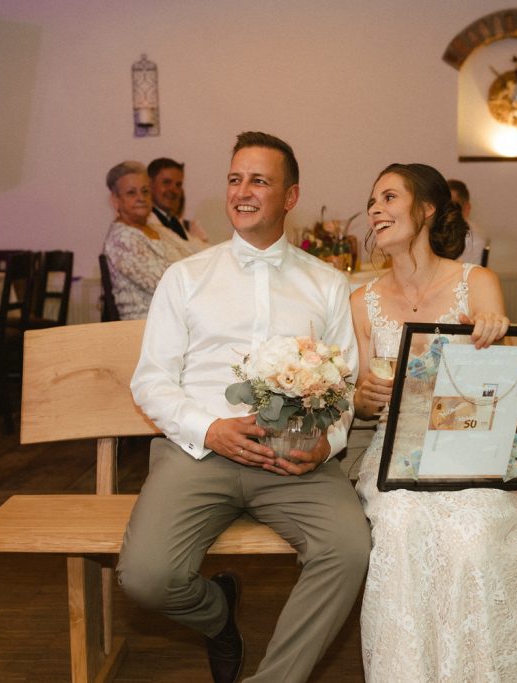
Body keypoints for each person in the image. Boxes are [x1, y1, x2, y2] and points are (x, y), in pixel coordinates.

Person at [118, 132, 371, 683]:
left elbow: (345, 385)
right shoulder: (186, 277)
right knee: (146, 577)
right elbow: (151, 380)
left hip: (293, 456)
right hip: (199, 452)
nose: (242, 191)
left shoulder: (327, 284)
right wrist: (209, 428)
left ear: (290, 196)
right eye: (235, 179)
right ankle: (217, 613)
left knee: (349, 550)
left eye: (259, 180)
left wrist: (325, 444)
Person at [351, 163, 517, 682]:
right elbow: (360, 398)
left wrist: (494, 334)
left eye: (389, 197)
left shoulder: (478, 282)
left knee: (471, 541)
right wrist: (364, 396)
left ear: (426, 208)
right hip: (395, 451)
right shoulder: (362, 302)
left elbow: (504, 387)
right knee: (399, 530)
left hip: (469, 444)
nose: (375, 209)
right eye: (372, 201)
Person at [102, 161, 197, 320]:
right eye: (131, 193)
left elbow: (194, 254)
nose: (141, 198)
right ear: (116, 200)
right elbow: (166, 285)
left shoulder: (156, 228)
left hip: (181, 315)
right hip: (148, 325)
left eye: (145, 191)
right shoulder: (122, 239)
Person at [147, 157, 210, 244]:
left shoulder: (188, 228)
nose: (174, 190)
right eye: (166, 182)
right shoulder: (143, 224)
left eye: (178, 185)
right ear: (149, 184)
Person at [447, 178, 490, 266]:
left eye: (452, 206)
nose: (445, 211)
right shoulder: (429, 234)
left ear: (466, 208)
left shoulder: (475, 243)